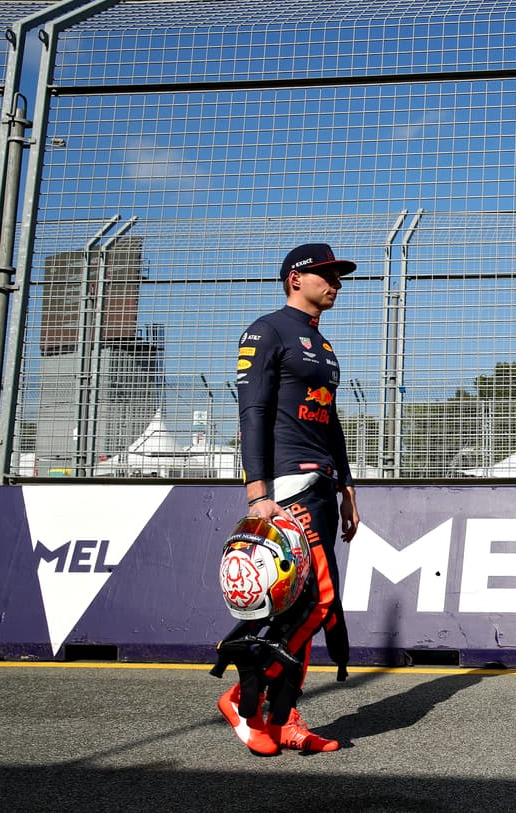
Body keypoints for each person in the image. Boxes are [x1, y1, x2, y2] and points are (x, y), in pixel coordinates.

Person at [216, 242, 361, 755]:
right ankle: (243, 698)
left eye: (338, 277)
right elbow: (252, 413)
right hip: (284, 487)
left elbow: (331, 422)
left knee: (300, 604)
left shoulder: (323, 345)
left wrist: (346, 486)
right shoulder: (267, 330)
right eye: (327, 275)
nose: (336, 284)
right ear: (295, 279)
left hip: (321, 484)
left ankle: (282, 717)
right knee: (318, 599)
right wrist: (257, 493)